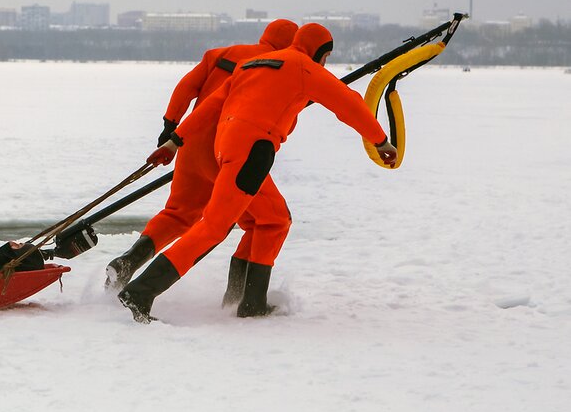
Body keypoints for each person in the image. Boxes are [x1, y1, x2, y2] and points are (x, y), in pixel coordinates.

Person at [118, 23, 397, 323]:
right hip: (253, 150)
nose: (325, 63)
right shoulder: (305, 67)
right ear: (319, 51)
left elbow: (211, 105)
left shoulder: (251, 64)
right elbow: (349, 104)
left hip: (224, 145)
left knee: (273, 220)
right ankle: (141, 292)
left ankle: (247, 301)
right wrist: (380, 140)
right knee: (213, 226)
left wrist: (175, 141)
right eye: (325, 57)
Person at [105, 19, 299, 292]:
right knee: (267, 220)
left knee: (178, 214)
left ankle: (129, 261)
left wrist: (170, 129)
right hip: (228, 150)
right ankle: (241, 299)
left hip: (190, 143)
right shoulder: (279, 67)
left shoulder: (220, 55)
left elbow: (186, 87)